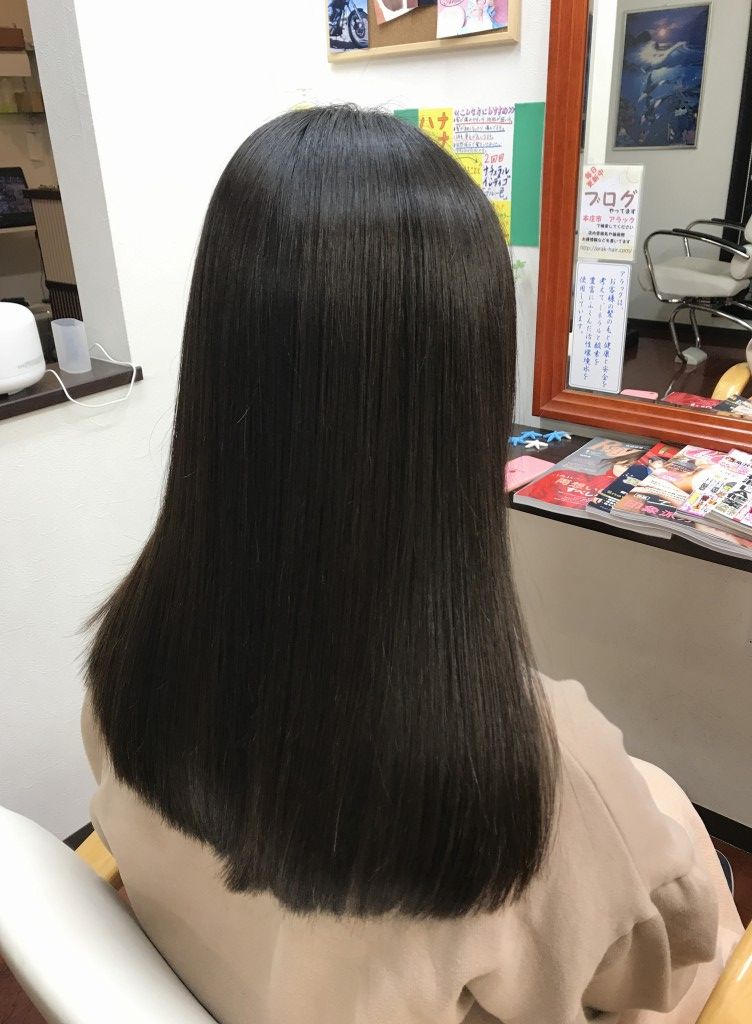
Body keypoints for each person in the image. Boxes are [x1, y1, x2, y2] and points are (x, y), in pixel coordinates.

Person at [82, 105, 742, 1024]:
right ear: (463, 403)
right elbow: (663, 967)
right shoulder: (532, 780)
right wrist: (668, 833)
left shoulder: (128, 662)